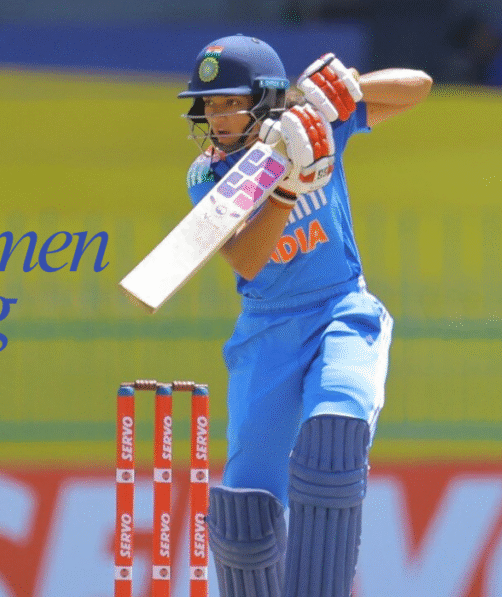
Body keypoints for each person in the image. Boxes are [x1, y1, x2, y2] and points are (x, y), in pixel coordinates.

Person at [177, 34, 431, 596]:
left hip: (341, 310)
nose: (217, 117)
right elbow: (246, 259)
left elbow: (419, 87)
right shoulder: (208, 175)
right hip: (267, 332)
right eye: (210, 105)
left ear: (266, 97)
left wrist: (342, 92)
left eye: (230, 102)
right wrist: (286, 187)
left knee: (332, 438)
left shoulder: (317, 128)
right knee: (244, 519)